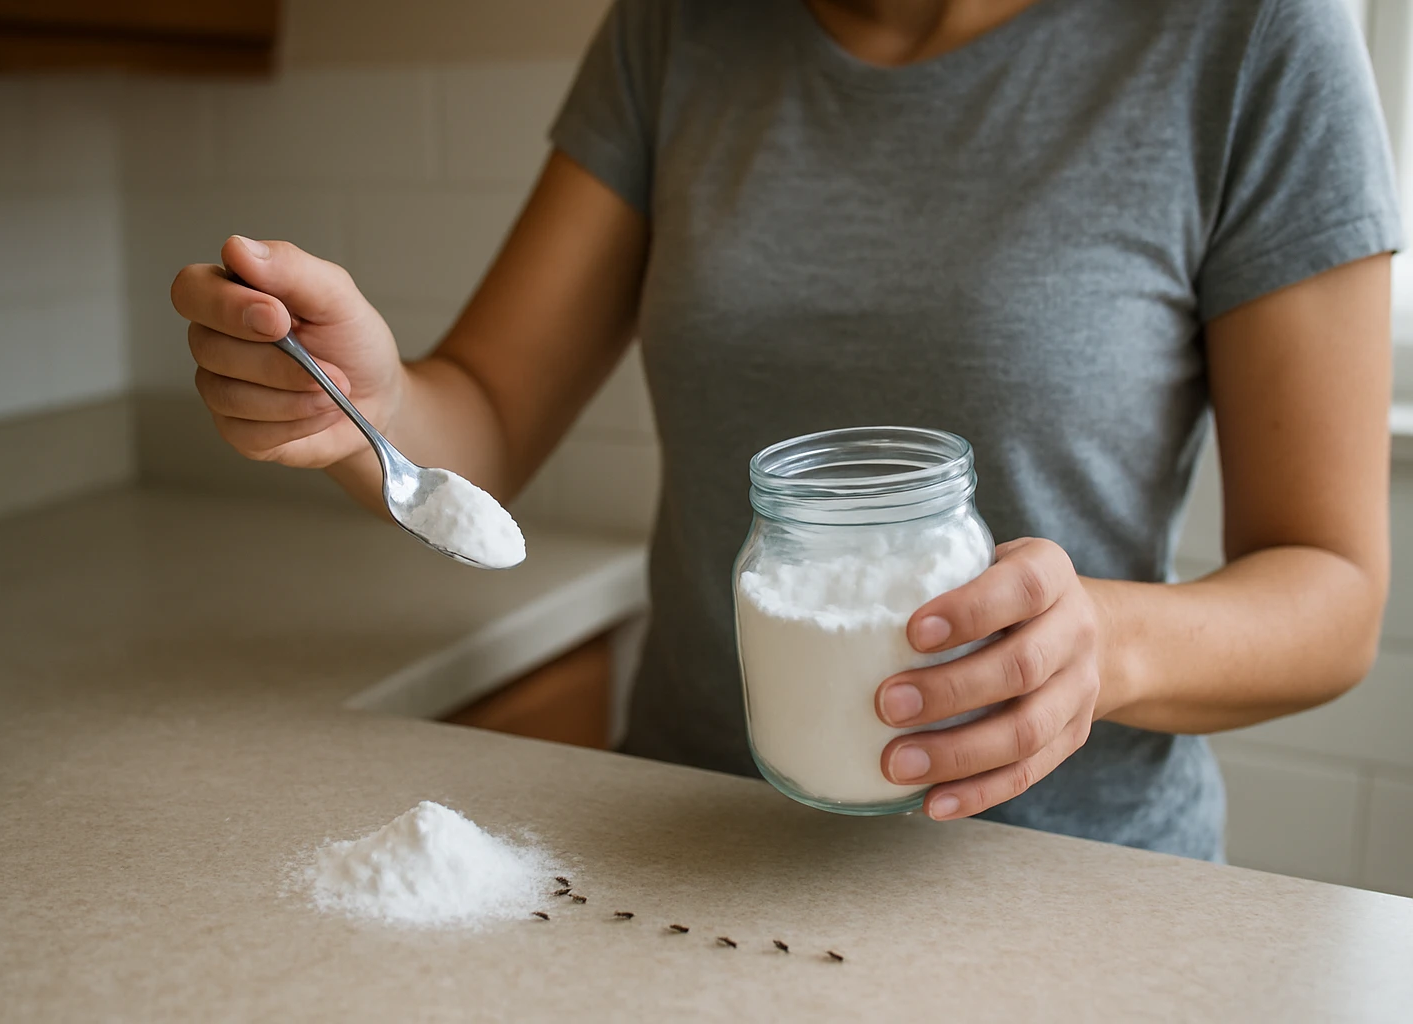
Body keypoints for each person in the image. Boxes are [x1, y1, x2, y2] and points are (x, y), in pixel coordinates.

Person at [171, 0, 1400, 861]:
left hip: (1062, 876)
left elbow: (1332, 591)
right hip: (692, 850)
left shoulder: (1250, 34)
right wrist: (364, 407)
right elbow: (485, 415)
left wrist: (1102, 648)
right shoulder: (678, 29)